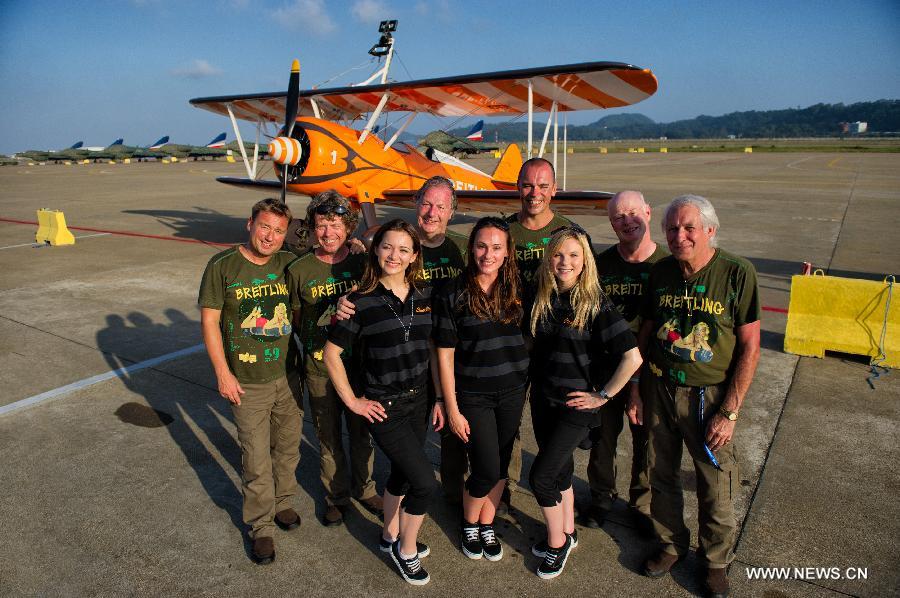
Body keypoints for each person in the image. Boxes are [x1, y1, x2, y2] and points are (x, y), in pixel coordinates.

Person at [638, 195, 760, 598]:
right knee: (661, 473)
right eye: (672, 228)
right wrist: (638, 388)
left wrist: (730, 410)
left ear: (710, 229)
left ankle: (715, 562)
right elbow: (648, 329)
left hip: (707, 397)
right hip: (660, 387)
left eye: (689, 228)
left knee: (716, 482)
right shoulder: (661, 273)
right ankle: (671, 545)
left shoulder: (737, 273)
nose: (680, 236)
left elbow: (750, 347)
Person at [335, 176, 469, 504]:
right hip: (394, 371)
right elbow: (361, 276)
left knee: (453, 437)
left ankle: (453, 497)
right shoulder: (388, 246)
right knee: (401, 457)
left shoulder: (462, 249)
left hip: (447, 361)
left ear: (452, 211)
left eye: (441, 206)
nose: (432, 212)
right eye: (426, 203)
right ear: (415, 203)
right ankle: (367, 493)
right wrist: (342, 301)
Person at [324, 219, 440, 585]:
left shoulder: (426, 296)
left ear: (414, 256)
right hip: (384, 406)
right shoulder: (360, 302)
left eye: (404, 249)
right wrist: (354, 402)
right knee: (425, 483)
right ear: (375, 250)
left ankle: (390, 536)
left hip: (419, 401)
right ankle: (407, 551)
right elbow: (331, 354)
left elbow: (434, 351)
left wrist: (438, 399)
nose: (394, 255)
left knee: (404, 475)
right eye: (387, 246)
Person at [526, 225, 642, 579]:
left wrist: (602, 396)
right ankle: (568, 533)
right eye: (559, 254)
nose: (565, 262)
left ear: (585, 261)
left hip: (575, 407)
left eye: (574, 255)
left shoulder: (594, 303)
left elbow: (632, 357)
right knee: (559, 471)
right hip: (543, 400)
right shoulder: (543, 298)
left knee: (541, 478)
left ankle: (557, 544)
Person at [198, 197, 303, 564]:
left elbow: (325, 265)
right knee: (256, 459)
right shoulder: (223, 266)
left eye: (278, 230)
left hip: (288, 377)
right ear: (249, 224)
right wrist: (222, 373)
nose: (270, 237)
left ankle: (284, 503)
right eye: (264, 227)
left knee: (288, 449)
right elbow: (210, 321)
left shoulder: (289, 262)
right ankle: (261, 527)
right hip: (247, 382)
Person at [434, 217, 529, 563]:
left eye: (497, 247)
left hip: (513, 391)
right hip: (472, 395)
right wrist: (451, 405)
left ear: (508, 252)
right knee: (485, 468)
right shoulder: (452, 291)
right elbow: (444, 355)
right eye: (481, 246)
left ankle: (487, 523)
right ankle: (468, 522)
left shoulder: (519, 289)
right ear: (471, 247)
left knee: (502, 465)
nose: (488, 254)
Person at [287, 190, 383, 527]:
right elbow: (298, 319)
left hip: (358, 366)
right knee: (327, 436)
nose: (329, 232)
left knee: (362, 433)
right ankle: (336, 495)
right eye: (322, 225)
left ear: (350, 228)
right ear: (312, 228)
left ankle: (366, 488)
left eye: (337, 224)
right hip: (318, 368)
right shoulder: (298, 270)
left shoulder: (362, 263)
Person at [584, 190, 668, 532]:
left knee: (646, 441)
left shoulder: (666, 267)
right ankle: (601, 497)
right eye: (618, 217)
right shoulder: (601, 266)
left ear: (648, 212)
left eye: (634, 213)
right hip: (606, 369)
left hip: (649, 371)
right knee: (602, 439)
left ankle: (642, 505)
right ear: (611, 223)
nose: (627, 221)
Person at [502, 157, 573, 514]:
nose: (535, 193)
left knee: (551, 425)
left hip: (553, 349)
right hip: (512, 344)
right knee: (508, 422)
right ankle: (504, 491)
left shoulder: (569, 234)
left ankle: (557, 497)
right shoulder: (504, 232)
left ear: (554, 189)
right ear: (518, 188)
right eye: (528, 185)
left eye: (543, 186)